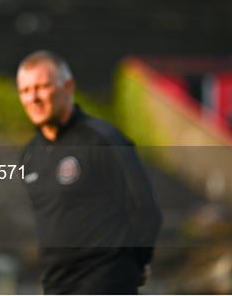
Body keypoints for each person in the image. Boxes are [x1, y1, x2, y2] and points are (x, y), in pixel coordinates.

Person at [17, 50, 162, 294]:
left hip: (105, 282)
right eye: (26, 90)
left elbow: (146, 209)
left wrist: (137, 262)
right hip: (56, 286)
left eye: (42, 87)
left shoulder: (102, 139)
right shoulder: (29, 155)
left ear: (68, 86)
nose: (34, 98)